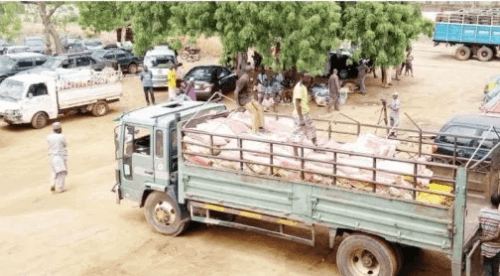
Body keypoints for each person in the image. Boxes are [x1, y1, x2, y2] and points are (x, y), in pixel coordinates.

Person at [292, 73, 317, 156]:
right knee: (297, 133)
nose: (309, 80)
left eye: (310, 78)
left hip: (306, 113)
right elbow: (297, 103)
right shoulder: (298, 88)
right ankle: (295, 154)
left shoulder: (303, 87)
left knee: (312, 129)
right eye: (308, 78)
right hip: (300, 114)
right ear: (302, 77)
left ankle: (315, 146)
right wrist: (301, 118)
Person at [234, 65, 264, 133]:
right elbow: (236, 92)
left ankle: (260, 125)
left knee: (259, 108)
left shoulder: (249, 77)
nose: (254, 72)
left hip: (249, 98)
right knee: (254, 112)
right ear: (250, 71)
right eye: (253, 70)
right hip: (244, 100)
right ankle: (253, 130)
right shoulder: (243, 79)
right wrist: (238, 104)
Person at [479, 193, 500, 276]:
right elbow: (497, 236)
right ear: (499, 203)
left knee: (487, 270)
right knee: (495, 271)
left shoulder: (482, 212)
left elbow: (480, 227)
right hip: (496, 249)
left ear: (490, 201)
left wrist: (482, 240)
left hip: (486, 247)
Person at [47, 122, 68, 194]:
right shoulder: (61, 137)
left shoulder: (49, 136)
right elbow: (65, 144)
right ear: (59, 129)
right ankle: (60, 188)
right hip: (60, 156)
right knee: (61, 172)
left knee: (54, 171)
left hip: (52, 156)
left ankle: (52, 183)